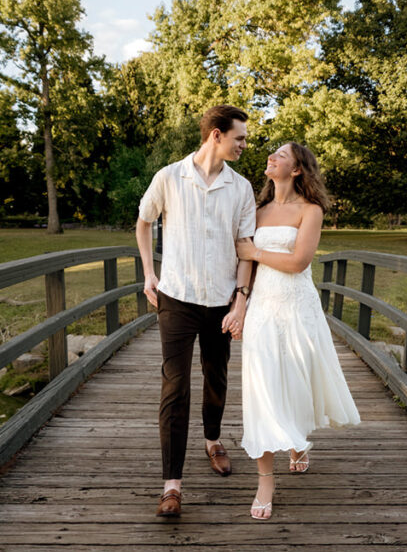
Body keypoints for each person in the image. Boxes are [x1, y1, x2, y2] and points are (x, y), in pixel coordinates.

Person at [136, 105, 256, 518]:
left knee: (216, 375)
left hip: (221, 301)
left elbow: (246, 249)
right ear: (216, 135)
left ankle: (212, 440)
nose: (244, 145)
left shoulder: (241, 188)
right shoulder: (169, 177)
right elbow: (144, 221)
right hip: (177, 298)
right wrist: (149, 272)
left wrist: (240, 299)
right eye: (239, 137)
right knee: (175, 387)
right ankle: (171, 486)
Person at [234, 142, 361, 521]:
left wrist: (255, 253)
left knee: (296, 380)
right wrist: (239, 304)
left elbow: (299, 261)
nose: (271, 157)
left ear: (297, 169)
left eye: (281, 155)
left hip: (298, 308)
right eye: (272, 153)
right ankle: (265, 481)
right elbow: (244, 262)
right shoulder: (256, 211)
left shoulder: (311, 210)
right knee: (261, 389)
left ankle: (297, 440)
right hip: (262, 308)